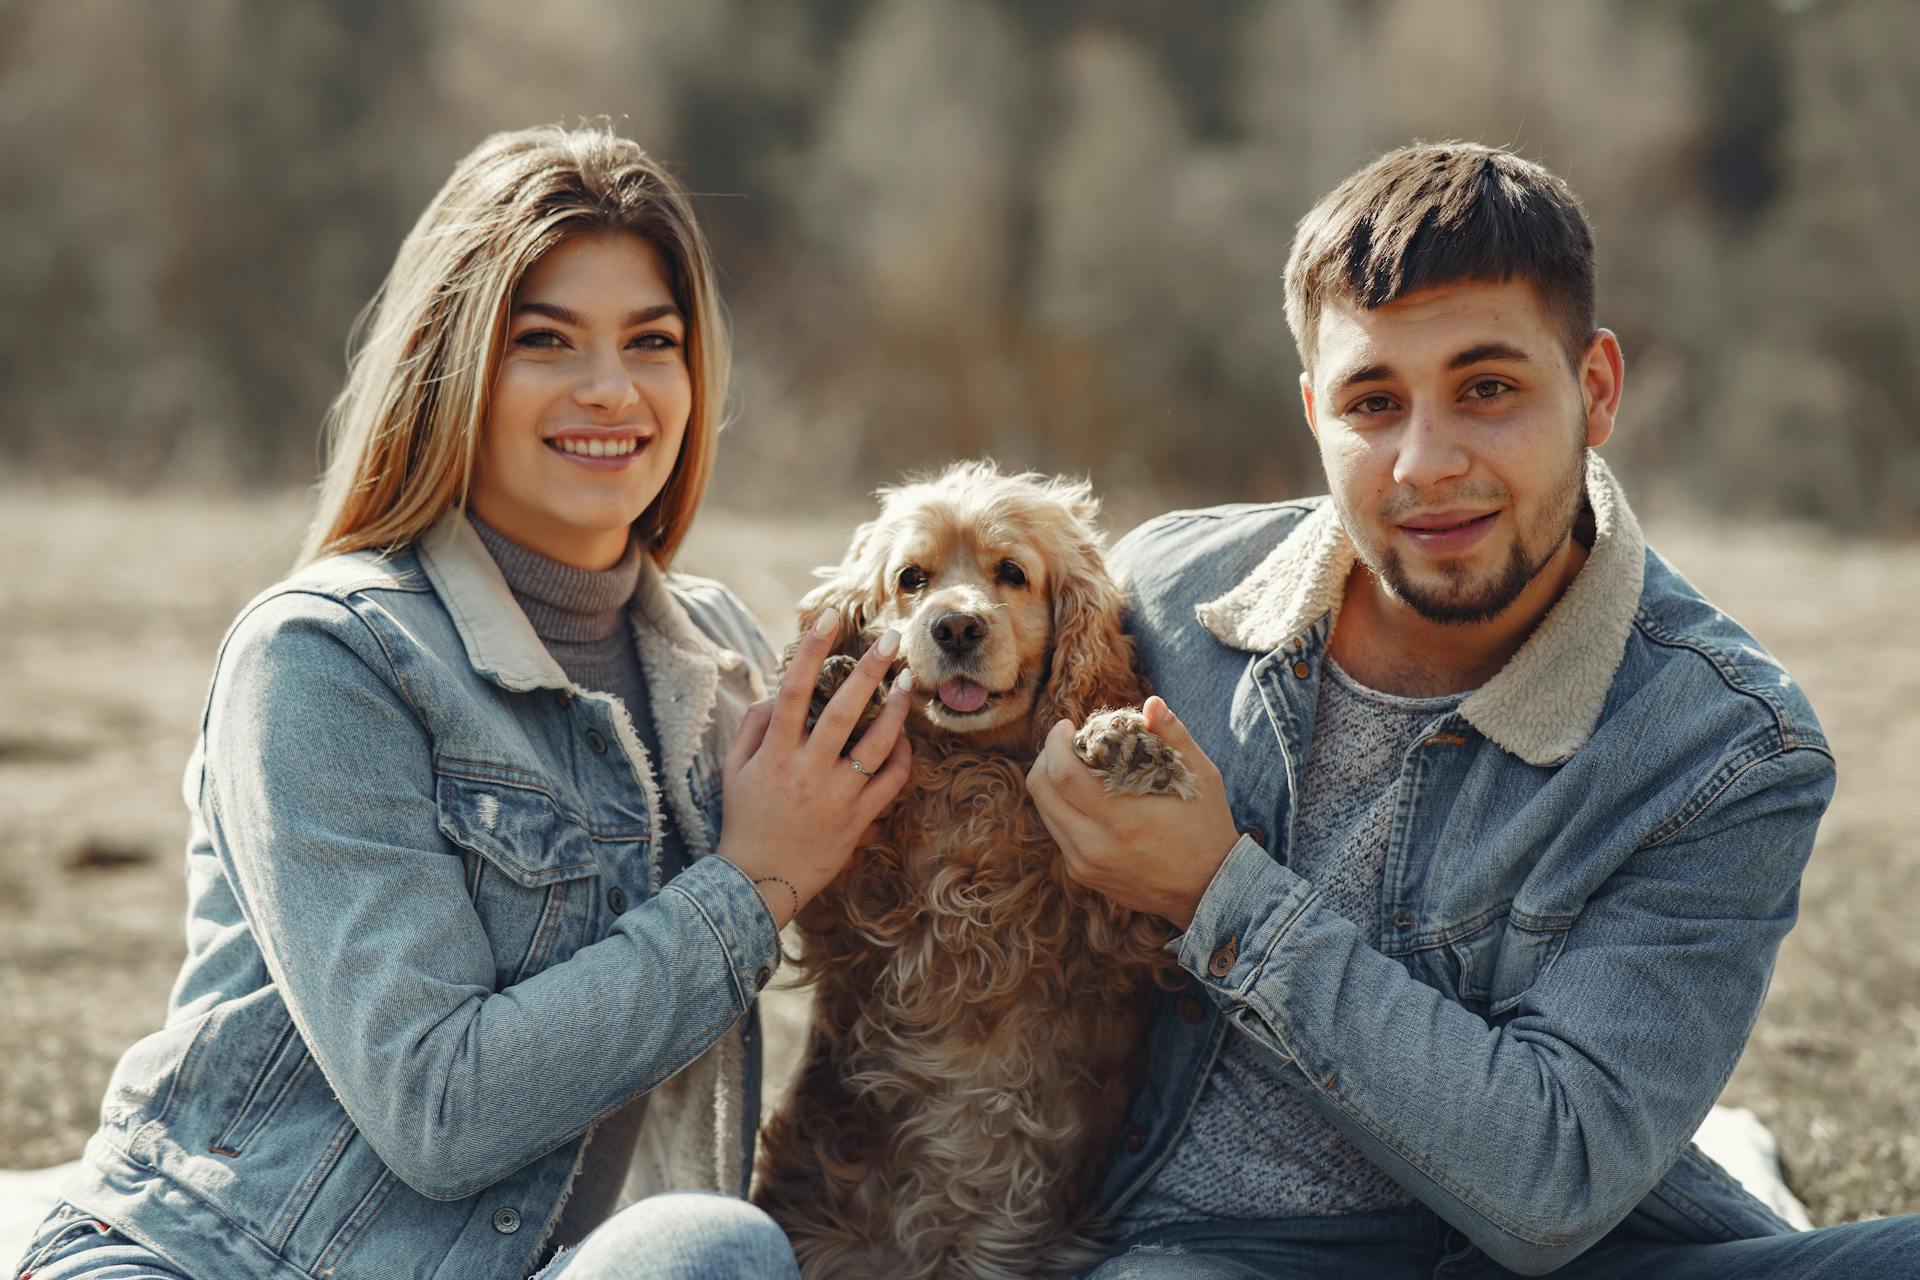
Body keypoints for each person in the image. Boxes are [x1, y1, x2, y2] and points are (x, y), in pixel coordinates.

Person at [15, 124, 914, 1280]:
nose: (611, 388)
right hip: (231, 1259)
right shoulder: (328, 656)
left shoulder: (729, 662)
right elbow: (438, 1104)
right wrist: (753, 885)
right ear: (454, 366)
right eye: (545, 340)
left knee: (711, 1249)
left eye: (654, 341)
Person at [1027, 142, 1919, 1277]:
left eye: (1487, 388)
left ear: (1595, 389)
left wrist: (1217, 892)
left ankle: (1732, 1166)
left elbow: (1549, 1184)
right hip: (1220, 1250)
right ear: (1313, 410)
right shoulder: (1161, 606)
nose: (1425, 461)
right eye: (1373, 401)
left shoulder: (1728, 747)